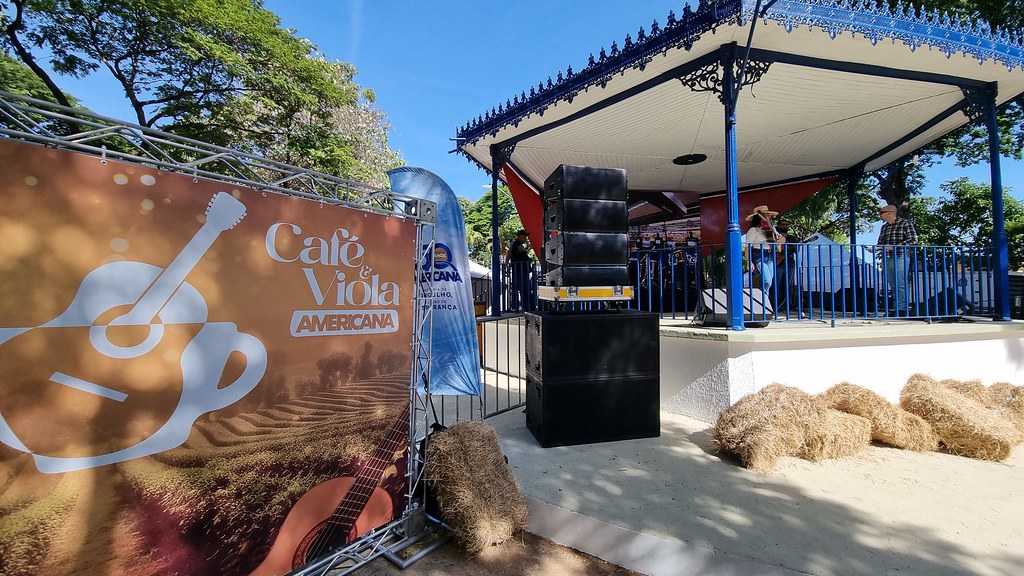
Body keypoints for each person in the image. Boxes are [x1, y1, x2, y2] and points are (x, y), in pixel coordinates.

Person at [875, 204, 919, 315]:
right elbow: (880, 243)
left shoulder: (905, 223)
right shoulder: (884, 227)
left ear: (890, 212)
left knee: (900, 283)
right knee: (893, 284)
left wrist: (894, 247)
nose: (880, 215)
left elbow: (913, 239)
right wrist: (875, 249)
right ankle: (897, 308)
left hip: (900, 256)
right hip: (887, 257)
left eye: (882, 212)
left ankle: (903, 308)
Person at [744, 205, 783, 310]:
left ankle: (763, 305)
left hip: (769, 255)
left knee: (769, 282)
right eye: (766, 215)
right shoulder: (754, 230)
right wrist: (749, 261)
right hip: (758, 255)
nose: (768, 217)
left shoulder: (771, 229)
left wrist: (777, 238)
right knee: (767, 281)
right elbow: (747, 246)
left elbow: (779, 246)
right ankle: (762, 305)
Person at [504, 229, 533, 311]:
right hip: (519, 271)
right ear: (520, 236)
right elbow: (510, 253)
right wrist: (506, 262)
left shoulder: (519, 245)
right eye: (525, 237)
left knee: (526, 289)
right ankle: (521, 307)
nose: (526, 239)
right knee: (523, 288)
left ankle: (527, 307)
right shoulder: (515, 243)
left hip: (523, 270)